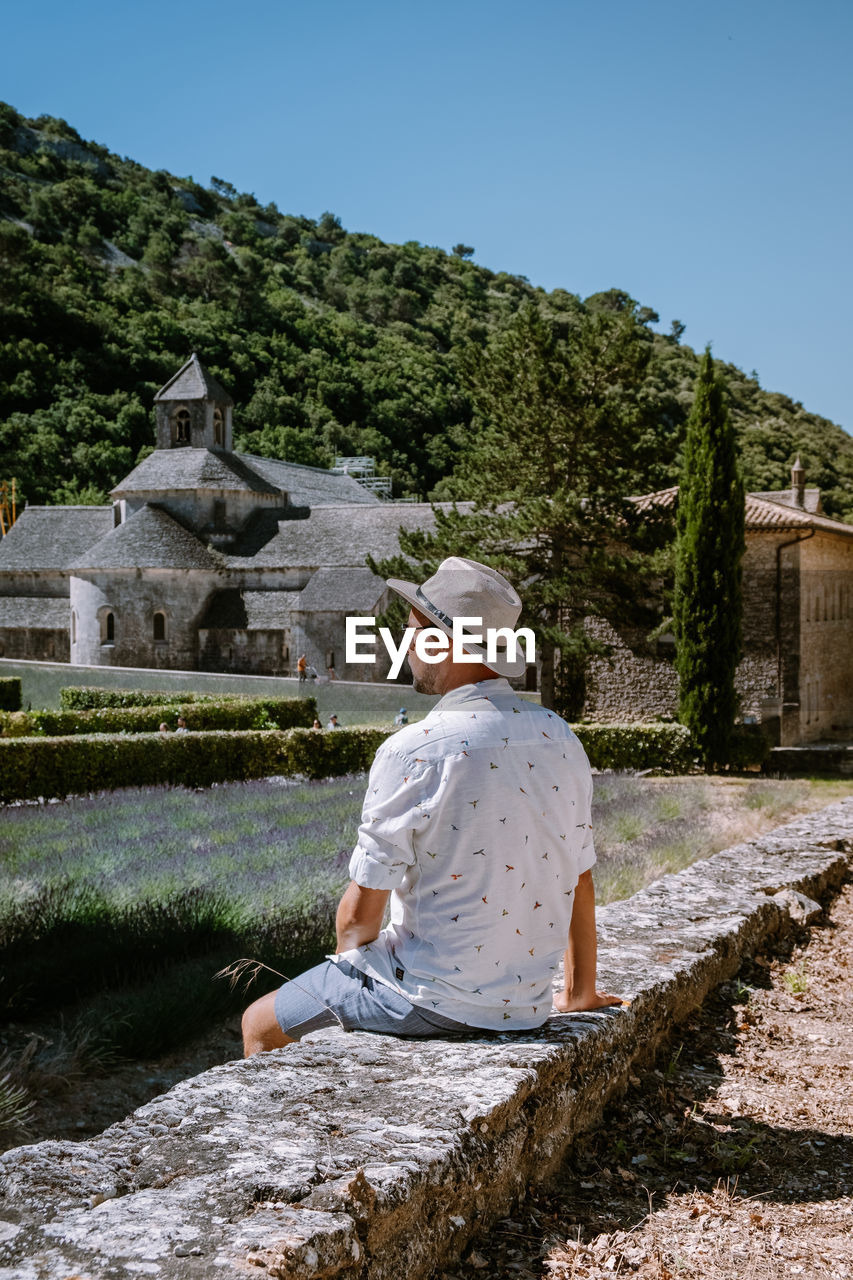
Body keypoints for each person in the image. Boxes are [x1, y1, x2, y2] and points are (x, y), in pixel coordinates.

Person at [242, 556, 619, 1055]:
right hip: (526, 1005)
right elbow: (581, 876)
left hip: (430, 998)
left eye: (414, 628)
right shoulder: (561, 736)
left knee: (258, 1023)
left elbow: (358, 920)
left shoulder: (414, 749)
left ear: (443, 641)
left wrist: (347, 976)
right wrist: (578, 993)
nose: (407, 641)